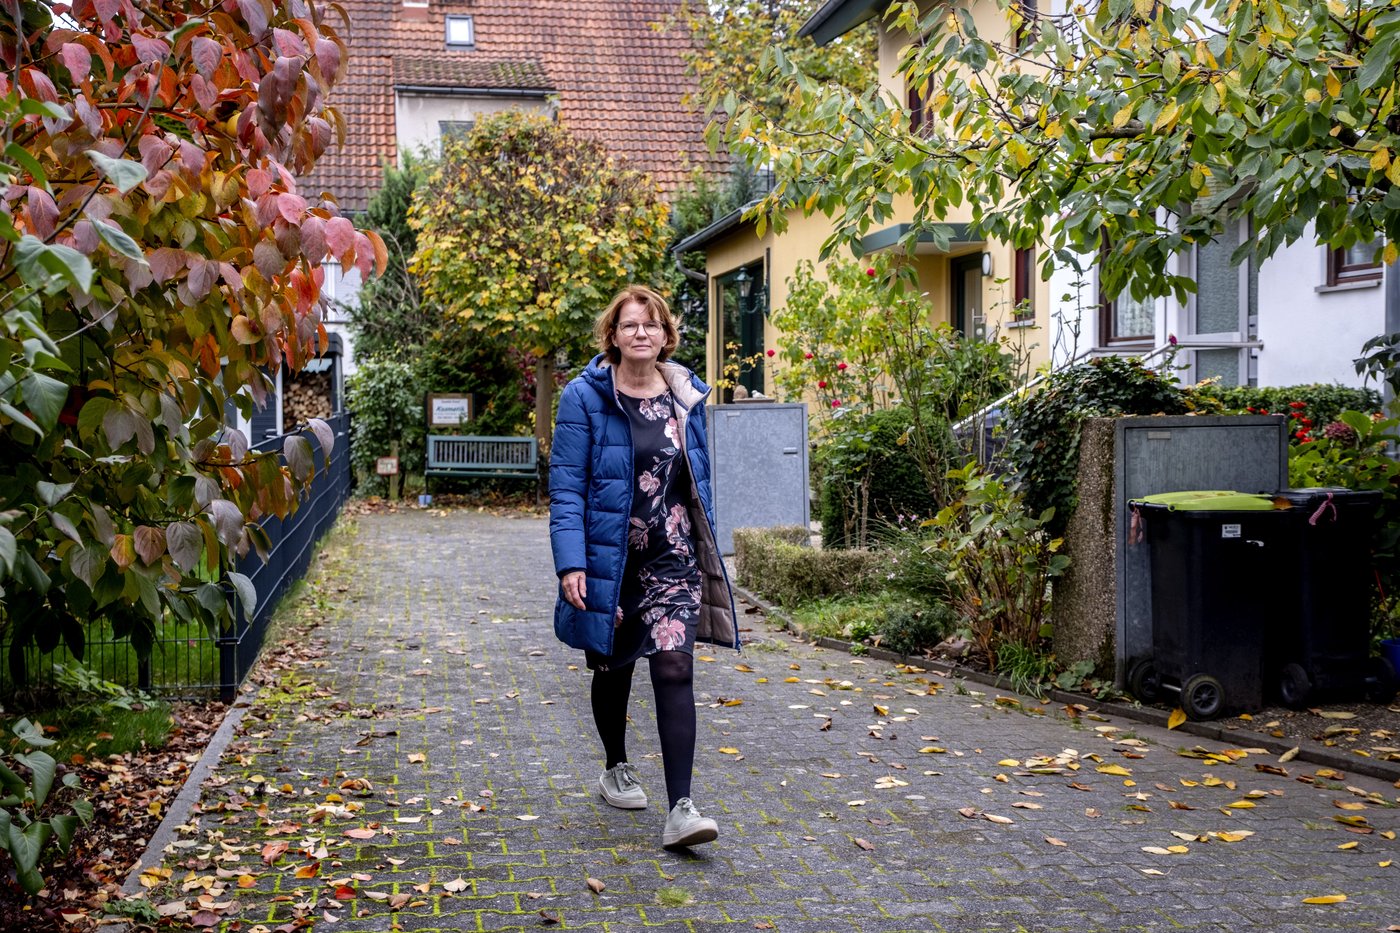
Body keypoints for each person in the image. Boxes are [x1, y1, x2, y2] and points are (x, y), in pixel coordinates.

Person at [549, 284, 739, 849]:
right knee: (612, 671)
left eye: (651, 326)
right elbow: (566, 488)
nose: (641, 334)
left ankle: (682, 807)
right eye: (630, 325)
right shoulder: (584, 398)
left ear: (665, 335)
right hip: (610, 559)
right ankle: (615, 765)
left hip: (671, 556)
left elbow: (696, 477)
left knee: (675, 666)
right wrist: (571, 564)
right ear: (613, 334)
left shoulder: (685, 395)